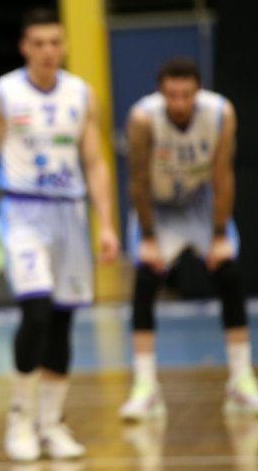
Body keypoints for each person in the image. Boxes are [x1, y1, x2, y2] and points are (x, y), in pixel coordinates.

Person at [0, 8, 120, 461]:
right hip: (24, 210)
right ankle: (20, 417)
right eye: (39, 43)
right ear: (24, 47)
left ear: (64, 45)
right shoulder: (1, 94)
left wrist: (107, 224)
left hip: (70, 212)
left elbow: (95, 163)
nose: (48, 50)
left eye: (55, 42)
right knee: (37, 310)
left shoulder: (81, 94)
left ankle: (51, 423)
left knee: (63, 319)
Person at [120, 58, 258, 420]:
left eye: (186, 95)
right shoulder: (143, 119)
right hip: (159, 206)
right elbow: (138, 181)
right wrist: (149, 238)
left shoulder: (220, 113)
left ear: (198, 91)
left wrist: (219, 234)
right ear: (160, 93)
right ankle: (145, 385)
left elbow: (223, 176)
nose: (179, 103)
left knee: (228, 273)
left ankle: (241, 379)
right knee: (146, 279)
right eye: (172, 96)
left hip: (199, 202)